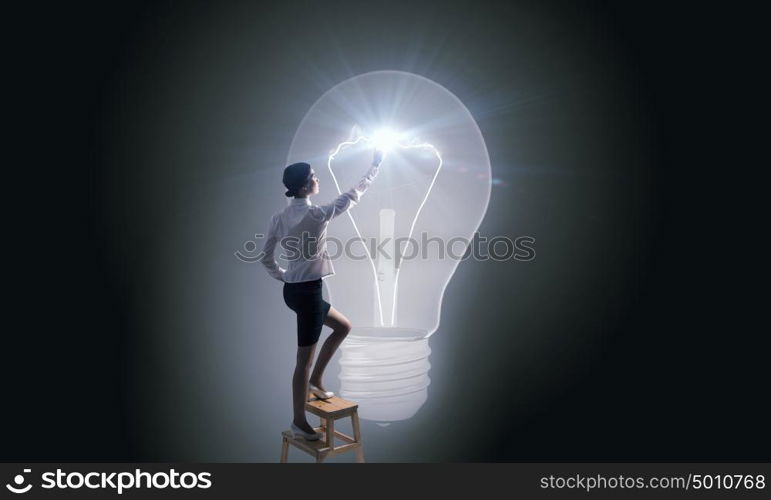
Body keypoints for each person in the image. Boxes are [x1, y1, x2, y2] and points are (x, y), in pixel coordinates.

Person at [260, 149, 383, 440]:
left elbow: (265, 257)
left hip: (293, 292)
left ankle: (316, 380)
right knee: (302, 362)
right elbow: (354, 194)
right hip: (309, 296)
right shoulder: (317, 214)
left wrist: (285, 276)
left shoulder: (279, 217)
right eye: (313, 176)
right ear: (304, 187)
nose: (318, 178)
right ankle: (298, 421)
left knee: (344, 327)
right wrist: (376, 164)